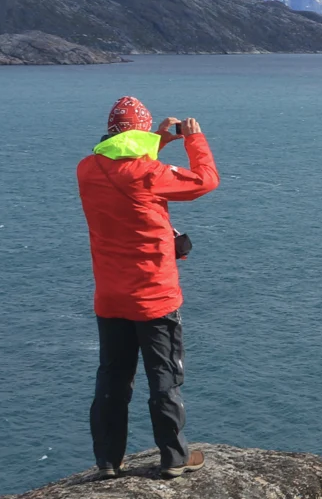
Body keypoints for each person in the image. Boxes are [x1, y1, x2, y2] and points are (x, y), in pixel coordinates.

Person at [77, 95, 220, 479]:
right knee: (164, 376)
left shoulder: (87, 169)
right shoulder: (148, 174)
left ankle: (108, 461)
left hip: (110, 296)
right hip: (154, 296)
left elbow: (124, 167)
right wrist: (193, 140)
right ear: (139, 133)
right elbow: (205, 181)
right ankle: (173, 458)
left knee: (112, 377)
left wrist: (153, 141)